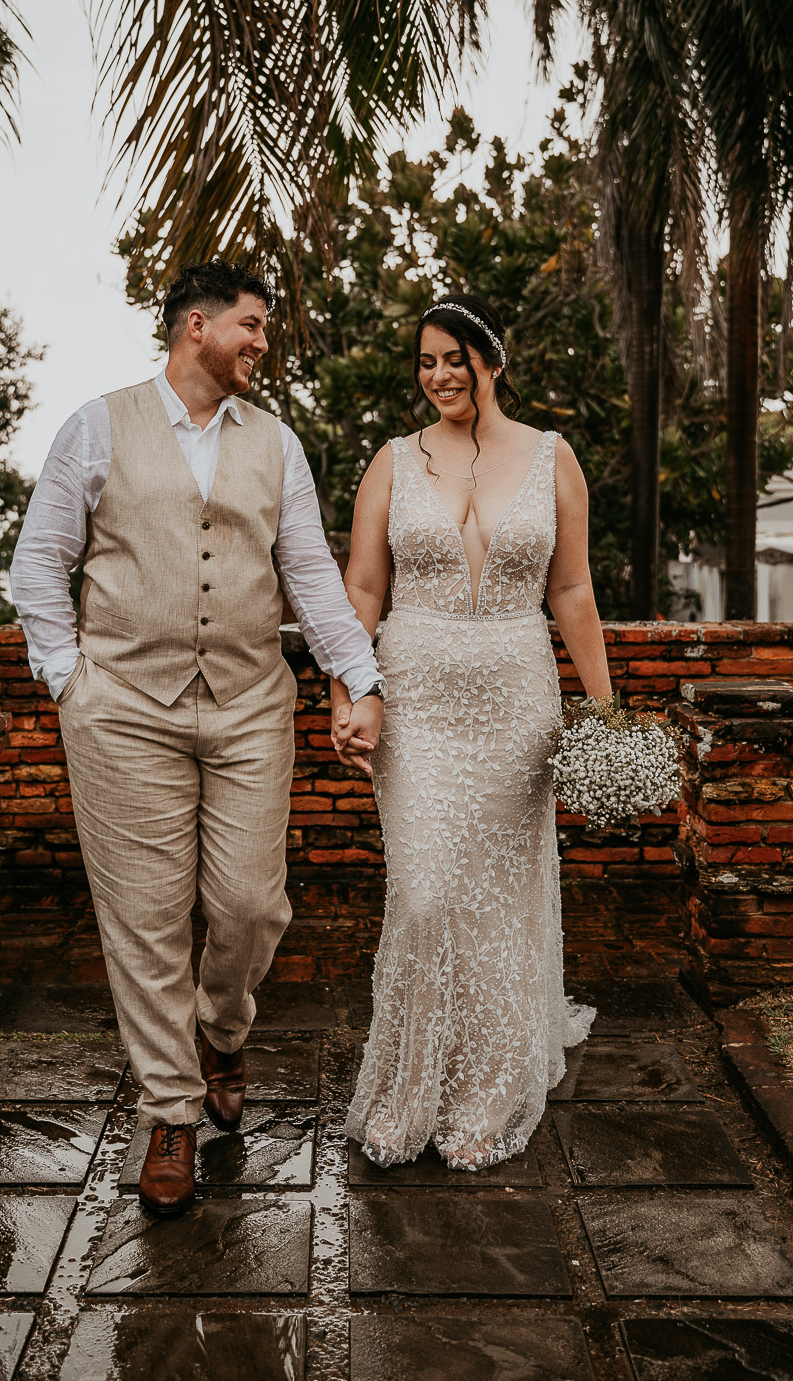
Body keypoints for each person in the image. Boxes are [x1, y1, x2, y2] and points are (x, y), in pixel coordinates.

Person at [10, 261, 384, 1216]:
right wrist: (71, 684)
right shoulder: (97, 426)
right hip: (123, 708)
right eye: (251, 325)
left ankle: (224, 1028)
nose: (262, 341)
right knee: (144, 919)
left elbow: (309, 572)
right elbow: (39, 567)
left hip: (251, 701)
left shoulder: (277, 444)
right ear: (195, 328)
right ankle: (171, 1109)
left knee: (253, 905)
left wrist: (358, 678)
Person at [334, 293, 613, 1171]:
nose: (439, 376)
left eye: (454, 358)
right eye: (424, 362)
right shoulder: (390, 462)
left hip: (515, 698)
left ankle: (488, 1091)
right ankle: (409, 1086)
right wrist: (354, 687)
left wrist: (604, 713)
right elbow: (364, 590)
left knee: (495, 903)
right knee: (423, 892)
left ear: (491, 360)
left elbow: (571, 592)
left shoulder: (551, 458)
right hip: (414, 698)